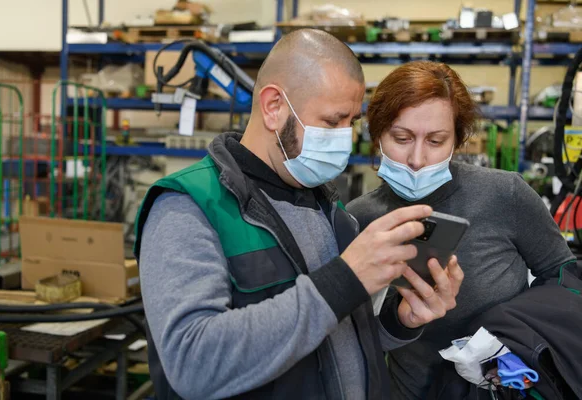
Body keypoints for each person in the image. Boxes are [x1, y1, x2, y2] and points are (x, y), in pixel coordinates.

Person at [135, 31, 463, 400]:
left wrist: (400, 321)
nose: (344, 138)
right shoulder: (188, 207)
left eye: (351, 122)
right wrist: (344, 278)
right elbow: (193, 363)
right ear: (274, 106)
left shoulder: (331, 212)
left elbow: (337, 340)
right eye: (332, 121)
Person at [346, 60, 576, 400]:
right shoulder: (358, 219)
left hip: (504, 388)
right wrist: (400, 320)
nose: (417, 158)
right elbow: (354, 339)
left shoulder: (505, 195)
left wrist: (514, 333)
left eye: (436, 140)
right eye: (401, 137)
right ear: (378, 134)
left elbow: (563, 278)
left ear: (457, 140)